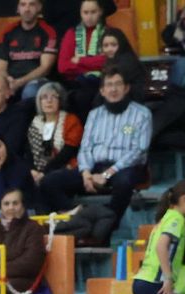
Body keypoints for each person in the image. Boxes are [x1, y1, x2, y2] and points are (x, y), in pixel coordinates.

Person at [37, 68, 150, 221]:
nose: (113, 89)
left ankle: (109, 223)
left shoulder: (142, 114)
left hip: (125, 168)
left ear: (126, 88)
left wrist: (107, 174)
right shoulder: (94, 114)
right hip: (94, 167)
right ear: (102, 91)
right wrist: (86, 173)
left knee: (124, 182)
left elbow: (138, 151)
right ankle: (77, 214)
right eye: (109, 85)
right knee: (48, 182)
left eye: (118, 84)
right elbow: (86, 147)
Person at [0, 187, 49, 294]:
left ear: (23, 206)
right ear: (1, 207)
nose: (11, 207)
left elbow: (30, 263)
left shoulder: (33, 228)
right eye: (6, 204)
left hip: (19, 283)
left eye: (15, 203)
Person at [0, 0, 59, 102]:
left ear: (39, 7)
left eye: (32, 4)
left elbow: (45, 68)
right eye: (23, 4)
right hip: (10, 81)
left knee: (30, 92)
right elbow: (0, 68)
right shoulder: (8, 31)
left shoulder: (48, 31)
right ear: (18, 8)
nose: (27, 9)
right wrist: (7, 80)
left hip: (37, 81)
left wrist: (19, 82)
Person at [28, 82, 83, 189]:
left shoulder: (71, 120)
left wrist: (44, 173)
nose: (49, 101)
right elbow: (29, 152)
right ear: (39, 101)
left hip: (67, 167)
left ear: (60, 100)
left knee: (47, 182)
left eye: (54, 96)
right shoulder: (35, 123)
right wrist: (33, 171)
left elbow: (68, 152)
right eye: (44, 97)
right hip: (39, 171)